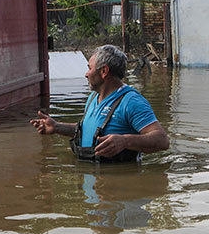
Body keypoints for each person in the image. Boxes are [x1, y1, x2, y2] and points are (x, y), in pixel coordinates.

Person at [30, 44, 169, 162]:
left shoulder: (131, 101)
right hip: (92, 181)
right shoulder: (92, 98)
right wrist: (57, 127)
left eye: (89, 68)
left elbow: (162, 140)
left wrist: (125, 141)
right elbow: (88, 131)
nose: (86, 74)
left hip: (117, 187)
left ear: (104, 71)